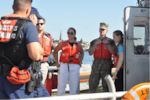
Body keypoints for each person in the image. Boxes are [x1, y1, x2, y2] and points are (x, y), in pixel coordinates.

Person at [0, 0, 44, 99]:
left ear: (13, 7)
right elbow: (36, 55)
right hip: (18, 80)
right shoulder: (28, 25)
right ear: (28, 9)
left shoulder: (1, 23)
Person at [53, 27, 84, 96]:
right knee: (61, 87)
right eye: (68, 33)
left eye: (71, 33)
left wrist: (80, 62)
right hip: (64, 65)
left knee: (74, 88)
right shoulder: (62, 43)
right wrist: (57, 62)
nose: (69, 35)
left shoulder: (78, 45)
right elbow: (55, 52)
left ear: (75, 34)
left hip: (75, 66)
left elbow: (82, 53)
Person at [29, 7, 50, 97]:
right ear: (32, 18)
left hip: (38, 66)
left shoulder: (48, 36)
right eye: (37, 21)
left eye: (41, 23)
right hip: (31, 68)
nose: (38, 24)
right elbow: (37, 54)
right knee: (40, 93)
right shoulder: (29, 30)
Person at [89, 22, 114, 94]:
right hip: (96, 65)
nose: (101, 31)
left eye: (103, 29)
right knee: (93, 84)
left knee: (106, 85)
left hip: (106, 65)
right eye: (100, 29)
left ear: (107, 30)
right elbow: (90, 53)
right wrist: (95, 44)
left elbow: (113, 52)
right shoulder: (94, 41)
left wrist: (107, 44)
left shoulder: (111, 41)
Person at [36, 18, 53, 84]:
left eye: (41, 24)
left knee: (41, 84)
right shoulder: (32, 35)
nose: (39, 25)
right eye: (37, 24)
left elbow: (50, 49)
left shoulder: (48, 36)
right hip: (33, 64)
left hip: (43, 64)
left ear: (44, 25)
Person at [112, 30, 124, 100]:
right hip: (120, 69)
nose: (113, 39)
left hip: (120, 70)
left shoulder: (120, 47)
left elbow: (121, 59)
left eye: (114, 37)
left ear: (119, 36)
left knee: (118, 89)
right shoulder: (119, 45)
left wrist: (116, 71)